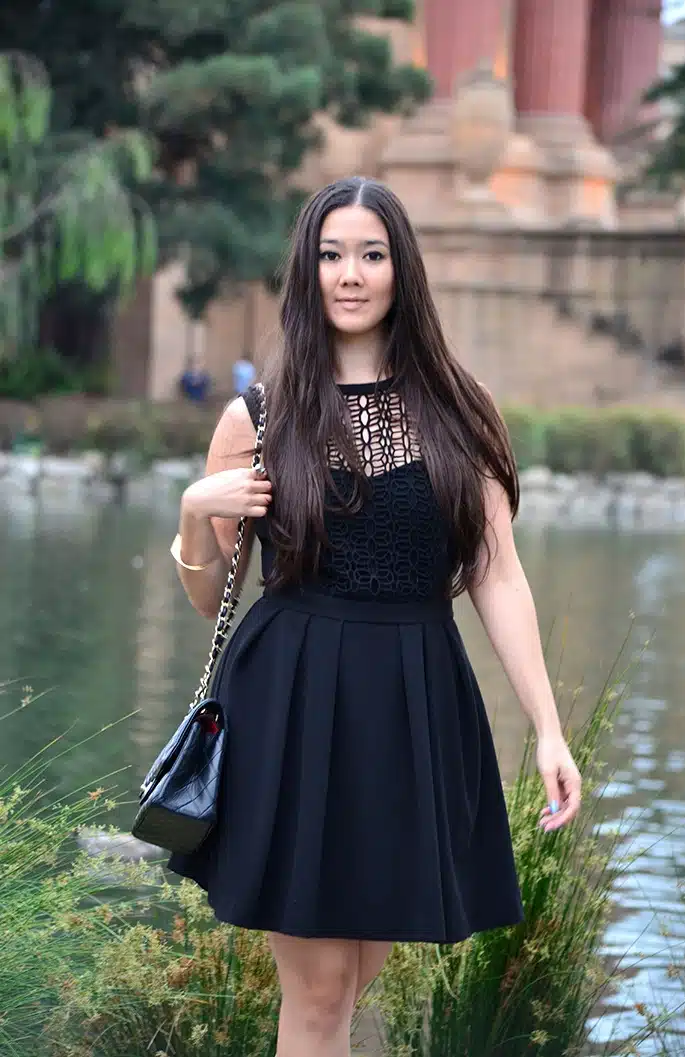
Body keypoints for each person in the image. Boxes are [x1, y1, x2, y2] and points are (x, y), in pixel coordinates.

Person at [167, 176, 582, 1057]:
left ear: (402, 269)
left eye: (370, 254)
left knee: (355, 979)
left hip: (409, 702)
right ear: (307, 270)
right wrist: (195, 511)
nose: (349, 274)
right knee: (320, 992)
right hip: (291, 701)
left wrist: (548, 728)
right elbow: (212, 601)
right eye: (330, 254)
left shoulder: (458, 409)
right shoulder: (259, 415)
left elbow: (497, 573)